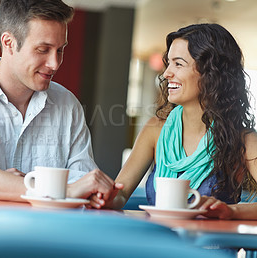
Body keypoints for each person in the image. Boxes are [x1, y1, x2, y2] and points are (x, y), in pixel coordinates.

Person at [0, 0, 122, 204]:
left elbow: (84, 186)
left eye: (60, 50)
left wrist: (0, 181)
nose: (55, 63)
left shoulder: (68, 106)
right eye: (43, 50)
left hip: (48, 236)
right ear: (9, 42)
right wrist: (54, 189)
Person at [94, 23, 257, 219]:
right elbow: (119, 194)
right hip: (159, 245)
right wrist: (106, 197)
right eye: (168, 63)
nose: (166, 73)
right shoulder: (155, 129)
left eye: (178, 64)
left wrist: (231, 210)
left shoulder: (244, 140)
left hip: (210, 249)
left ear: (211, 73)